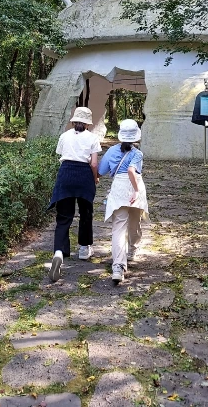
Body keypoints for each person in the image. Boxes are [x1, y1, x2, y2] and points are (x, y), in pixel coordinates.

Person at [48, 107, 101, 282]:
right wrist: (95, 178)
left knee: (64, 217)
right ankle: (84, 249)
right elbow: (94, 164)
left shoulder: (64, 136)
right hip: (84, 175)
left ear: (73, 121)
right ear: (87, 123)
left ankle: (58, 252)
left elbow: (61, 155)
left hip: (66, 174)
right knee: (86, 213)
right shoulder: (92, 138)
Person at [98, 118, 148, 284]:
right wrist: (136, 190)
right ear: (136, 137)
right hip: (135, 188)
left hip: (119, 188)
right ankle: (132, 250)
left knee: (118, 227)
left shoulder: (111, 151)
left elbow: (101, 171)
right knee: (135, 223)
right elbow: (132, 171)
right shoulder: (137, 153)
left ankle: (118, 266)